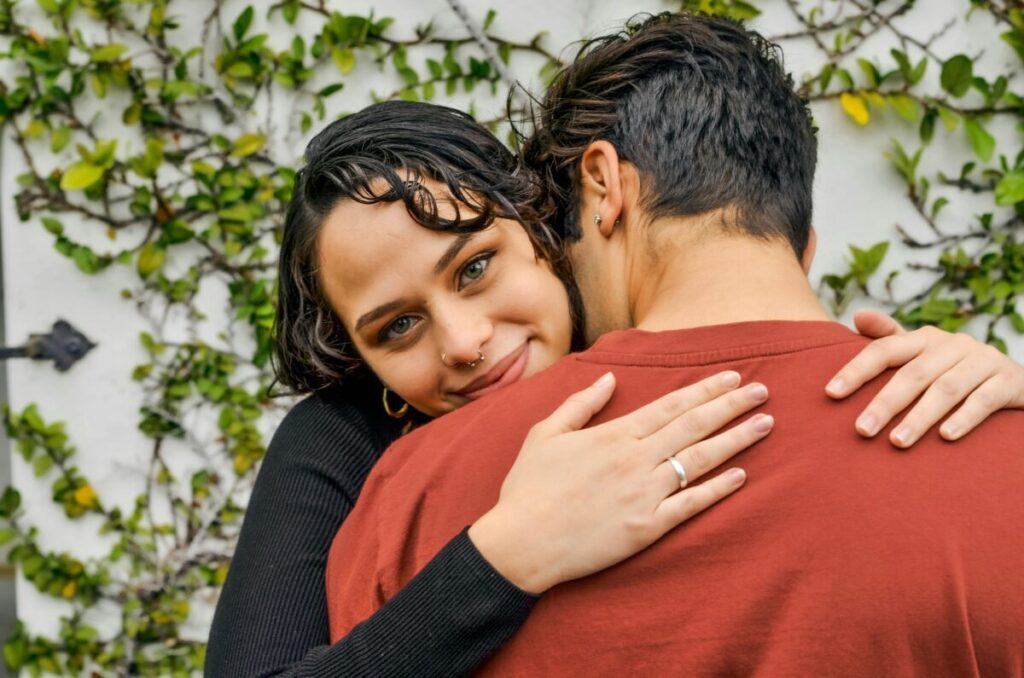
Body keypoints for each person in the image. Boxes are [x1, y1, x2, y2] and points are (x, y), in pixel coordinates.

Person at [206, 104, 1024, 677]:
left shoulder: (683, 349)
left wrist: (993, 385)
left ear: (541, 228)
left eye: (476, 267)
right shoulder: (347, 442)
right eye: (395, 328)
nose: (464, 342)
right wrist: (507, 556)